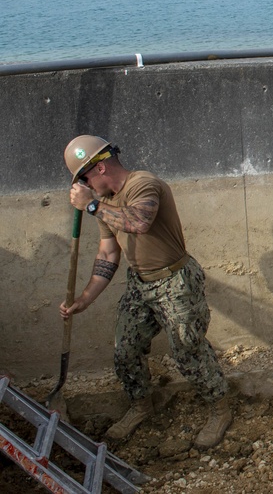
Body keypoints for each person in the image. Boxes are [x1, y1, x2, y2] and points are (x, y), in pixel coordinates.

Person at [60, 135, 232, 448]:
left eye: (82, 178)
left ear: (99, 168)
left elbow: (139, 222)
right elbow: (109, 254)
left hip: (175, 281)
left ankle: (219, 408)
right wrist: (84, 299)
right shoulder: (106, 201)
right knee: (125, 350)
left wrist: (91, 204)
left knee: (187, 350)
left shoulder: (143, 184)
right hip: (140, 283)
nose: (81, 186)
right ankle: (141, 405)